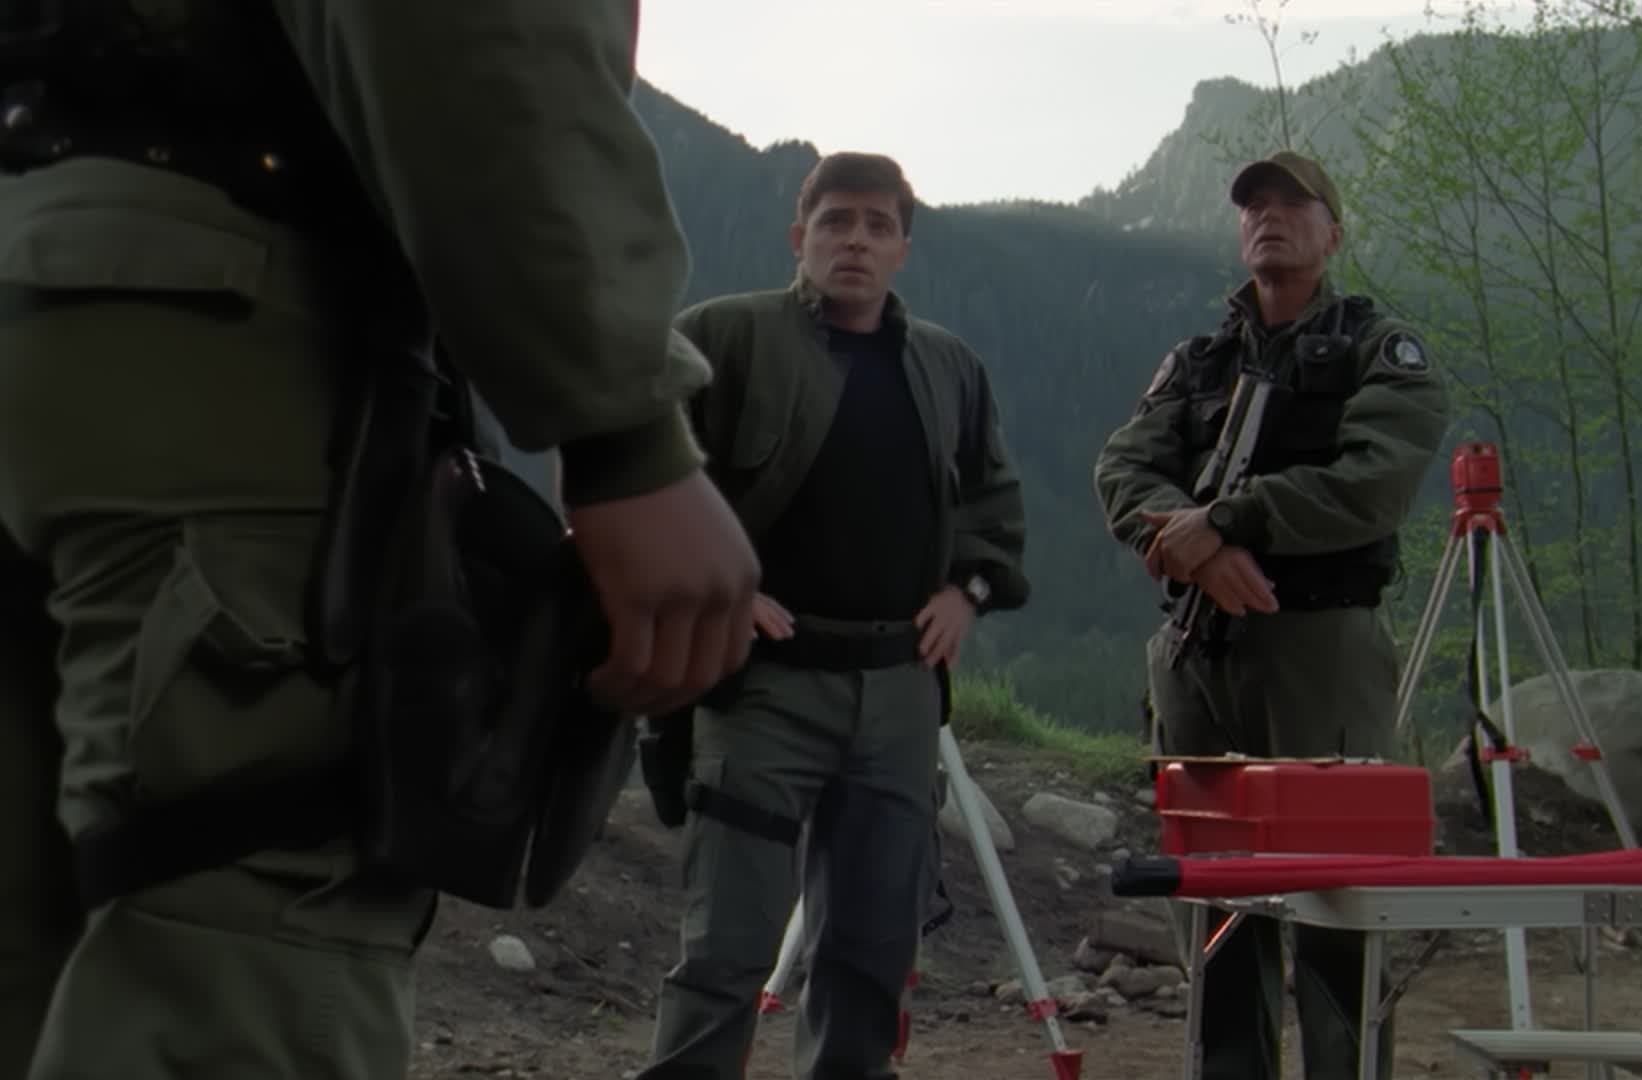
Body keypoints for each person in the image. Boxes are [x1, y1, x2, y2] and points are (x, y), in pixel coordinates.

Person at [0, 5, 760, 1078]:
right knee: (246, 929)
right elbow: (474, 36)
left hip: (47, 273)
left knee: (40, 923)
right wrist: (626, 435)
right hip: (220, 306)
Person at [637, 150, 1029, 1080]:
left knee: (870, 954)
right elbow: (643, 476)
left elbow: (993, 500)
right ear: (799, 237)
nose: (856, 240)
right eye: (836, 221)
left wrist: (968, 592)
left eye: (877, 225)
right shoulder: (722, 338)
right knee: (726, 950)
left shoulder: (946, 366)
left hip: (899, 689)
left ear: (903, 249)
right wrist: (720, 588)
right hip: (762, 685)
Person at [1092, 149, 1451, 1080]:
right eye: (1254, 204)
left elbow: (1372, 485)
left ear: (1334, 234)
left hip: (1320, 646)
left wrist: (1228, 520)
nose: (1269, 216)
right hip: (1196, 653)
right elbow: (1123, 468)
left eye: (1294, 203)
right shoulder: (1198, 362)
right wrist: (1199, 548)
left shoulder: (1380, 350)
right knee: (1214, 900)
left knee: (1341, 897)